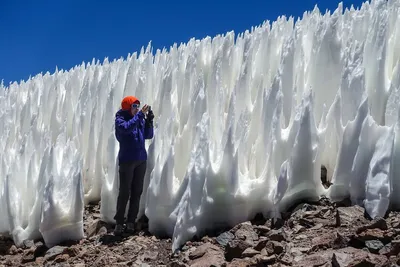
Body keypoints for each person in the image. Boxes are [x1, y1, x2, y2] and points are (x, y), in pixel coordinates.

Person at [113, 95, 154, 235]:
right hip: (127, 161)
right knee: (124, 192)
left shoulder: (139, 119)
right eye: (134, 106)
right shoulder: (120, 119)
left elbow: (148, 135)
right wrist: (140, 115)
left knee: (137, 192)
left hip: (141, 160)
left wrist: (149, 121)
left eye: (138, 106)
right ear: (127, 106)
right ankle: (119, 222)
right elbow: (126, 129)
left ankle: (131, 221)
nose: (136, 109)